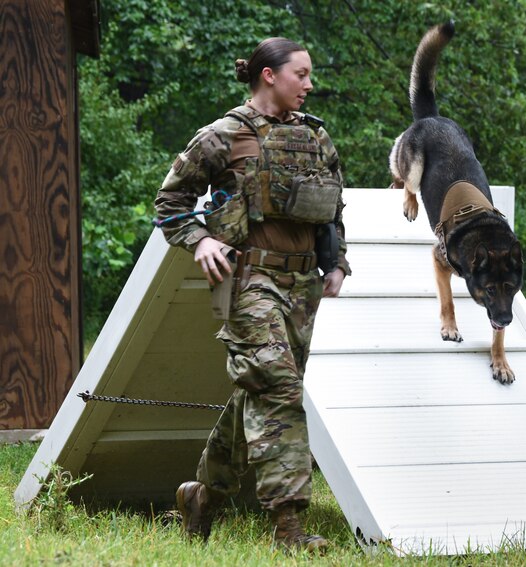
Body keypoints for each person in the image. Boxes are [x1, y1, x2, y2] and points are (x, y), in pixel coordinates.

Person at [153, 37, 350, 552]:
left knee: (258, 393)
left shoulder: (317, 137)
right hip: (250, 284)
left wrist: (337, 262)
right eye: (301, 74)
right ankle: (289, 530)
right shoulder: (223, 135)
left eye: (310, 75)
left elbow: (334, 208)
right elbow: (170, 201)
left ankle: (202, 497)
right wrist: (200, 240)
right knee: (281, 392)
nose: (309, 84)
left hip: (303, 288)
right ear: (269, 75)